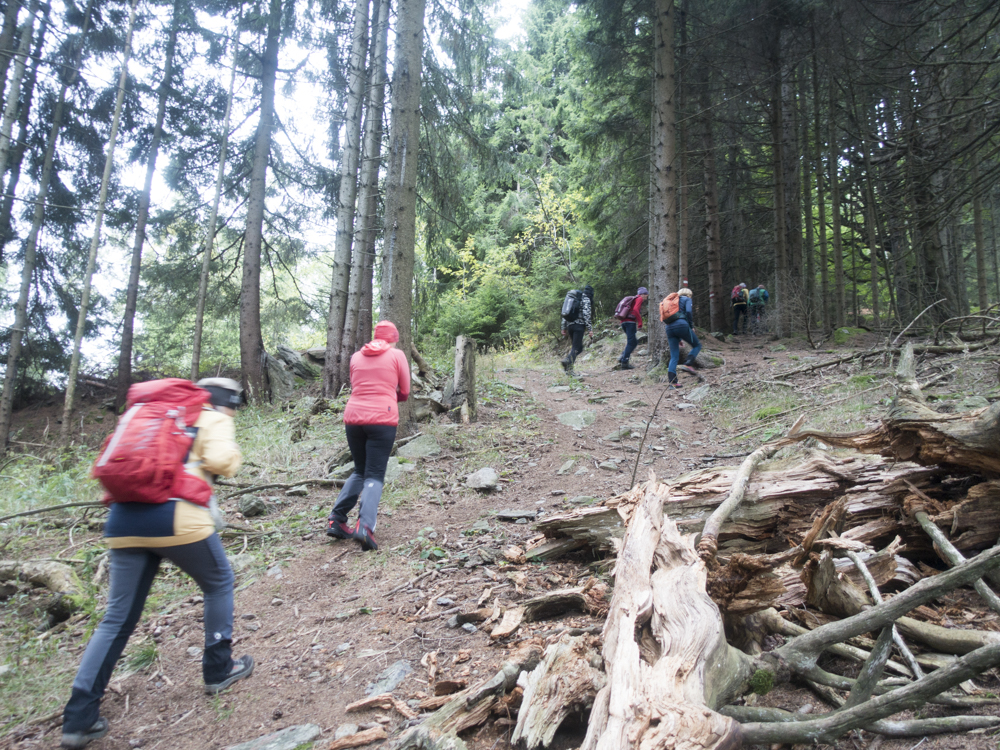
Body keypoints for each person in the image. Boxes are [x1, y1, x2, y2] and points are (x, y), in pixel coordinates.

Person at [61, 378, 251, 749]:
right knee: (219, 583)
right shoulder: (212, 417)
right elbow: (221, 461)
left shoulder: (153, 416)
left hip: (122, 521)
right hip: (176, 517)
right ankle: (218, 669)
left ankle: (79, 716)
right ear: (226, 401)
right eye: (235, 405)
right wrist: (229, 452)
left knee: (117, 617)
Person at [326, 320, 410, 551]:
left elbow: (357, 385)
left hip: (353, 419)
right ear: (393, 339)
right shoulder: (397, 355)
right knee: (374, 474)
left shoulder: (356, 356)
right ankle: (365, 527)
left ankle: (336, 520)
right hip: (382, 419)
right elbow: (405, 391)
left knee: (360, 470)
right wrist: (389, 397)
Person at [665, 288, 702, 389]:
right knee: (697, 345)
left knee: (674, 357)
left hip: (669, 327)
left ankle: (673, 383)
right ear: (689, 294)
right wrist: (691, 326)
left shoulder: (672, 301)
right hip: (681, 325)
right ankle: (688, 364)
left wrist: (679, 339)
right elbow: (688, 312)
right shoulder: (687, 299)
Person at [561, 285, 593, 375]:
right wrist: (590, 329)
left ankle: (568, 369)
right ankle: (568, 362)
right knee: (577, 348)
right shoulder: (586, 299)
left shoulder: (573, 299)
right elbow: (586, 314)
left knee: (577, 347)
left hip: (570, 326)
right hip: (579, 326)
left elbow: (564, 313)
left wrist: (563, 327)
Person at [615, 286, 648, 370]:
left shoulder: (634, 299)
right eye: (646, 294)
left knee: (633, 342)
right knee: (631, 342)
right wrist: (640, 322)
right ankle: (624, 362)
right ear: (643, 294)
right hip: (630, 323)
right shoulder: (639, 298)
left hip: (624, 322)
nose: (647, 297)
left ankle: (623, 356)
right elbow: (636, 310)